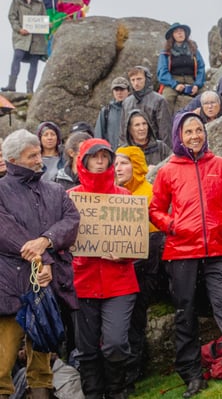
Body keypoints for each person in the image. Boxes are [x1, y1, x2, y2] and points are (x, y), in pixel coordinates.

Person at [150, 112, 222, 397]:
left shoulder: (221, 165)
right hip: (181, 253)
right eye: (188, 132)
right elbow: (155, 209)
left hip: (219, 250)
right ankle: (192, 376)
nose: (195, 136)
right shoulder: (168, 170)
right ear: (178, 137)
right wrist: (173, 225)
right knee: (186, 314)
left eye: (199, 130)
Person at [0, 130, 80, 399]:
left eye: (38, 153)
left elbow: (71, 222)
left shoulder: (55, 190)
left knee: (42, 365)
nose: (39, 159)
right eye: (31, 155)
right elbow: (8, 235)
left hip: (46, 289)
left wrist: (46, 240)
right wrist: (43, 261)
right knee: (2, 366)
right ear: (13, 160)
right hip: (9, 286)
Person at [69, 138, 138, 399]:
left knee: (116, 343)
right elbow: (61, 243)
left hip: (119, 282)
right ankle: (94, 394)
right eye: (94, 156)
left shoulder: (125, 198)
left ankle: (117, 391)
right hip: (82, 281)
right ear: (83, 161)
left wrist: (125, 254)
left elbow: (137, 243)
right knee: (86, 349)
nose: (100, 161)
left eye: (104, 156)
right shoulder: (70, 198)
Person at [114, 146, 163, 389]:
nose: (118, 168)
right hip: (119, 264)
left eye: (123, 163)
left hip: (146, 263)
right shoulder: (114, 193)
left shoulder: (149, 193)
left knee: (135, 317)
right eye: (116, 164)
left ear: (136, 165)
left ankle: (132, 375)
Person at [3, 0, 47, 94]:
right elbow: (12, 17)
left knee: (34, 61)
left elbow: (44, 17)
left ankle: (30, 89)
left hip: (37, 38)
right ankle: (11, 85)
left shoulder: (39, 2)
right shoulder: (16, 2)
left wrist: (46, 24)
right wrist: (19, 29)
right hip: (21, 36)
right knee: (17, 56)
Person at [157, 23, 206, 113]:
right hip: (173, 82)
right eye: (177, 32)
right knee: (166, 100)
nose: (180, 33)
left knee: (207, 97)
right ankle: (167, 126)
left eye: (182, 31)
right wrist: (175, 85)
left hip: (192, 81)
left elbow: (201, 67)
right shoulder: (165, 53)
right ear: (172, 35)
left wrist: (197, 85)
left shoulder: (194, 50)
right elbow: (162, 72)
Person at [119, 66, 172, 146]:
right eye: (133, 80)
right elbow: (123, 132)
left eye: (139, 79)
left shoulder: (159, 101)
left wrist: (165, 152)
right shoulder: (126, 103)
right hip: (132, 150)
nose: (136, 83)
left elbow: (165, 132)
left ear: (146, 79)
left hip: (154, 149)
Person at [94, 76, 130, 149]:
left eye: (122, 89)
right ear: (112, 92)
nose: (119, 92)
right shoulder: (105, 111)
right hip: (113, 154)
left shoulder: (135, 108)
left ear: (128, 91)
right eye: (116, 90)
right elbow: (99, 137)